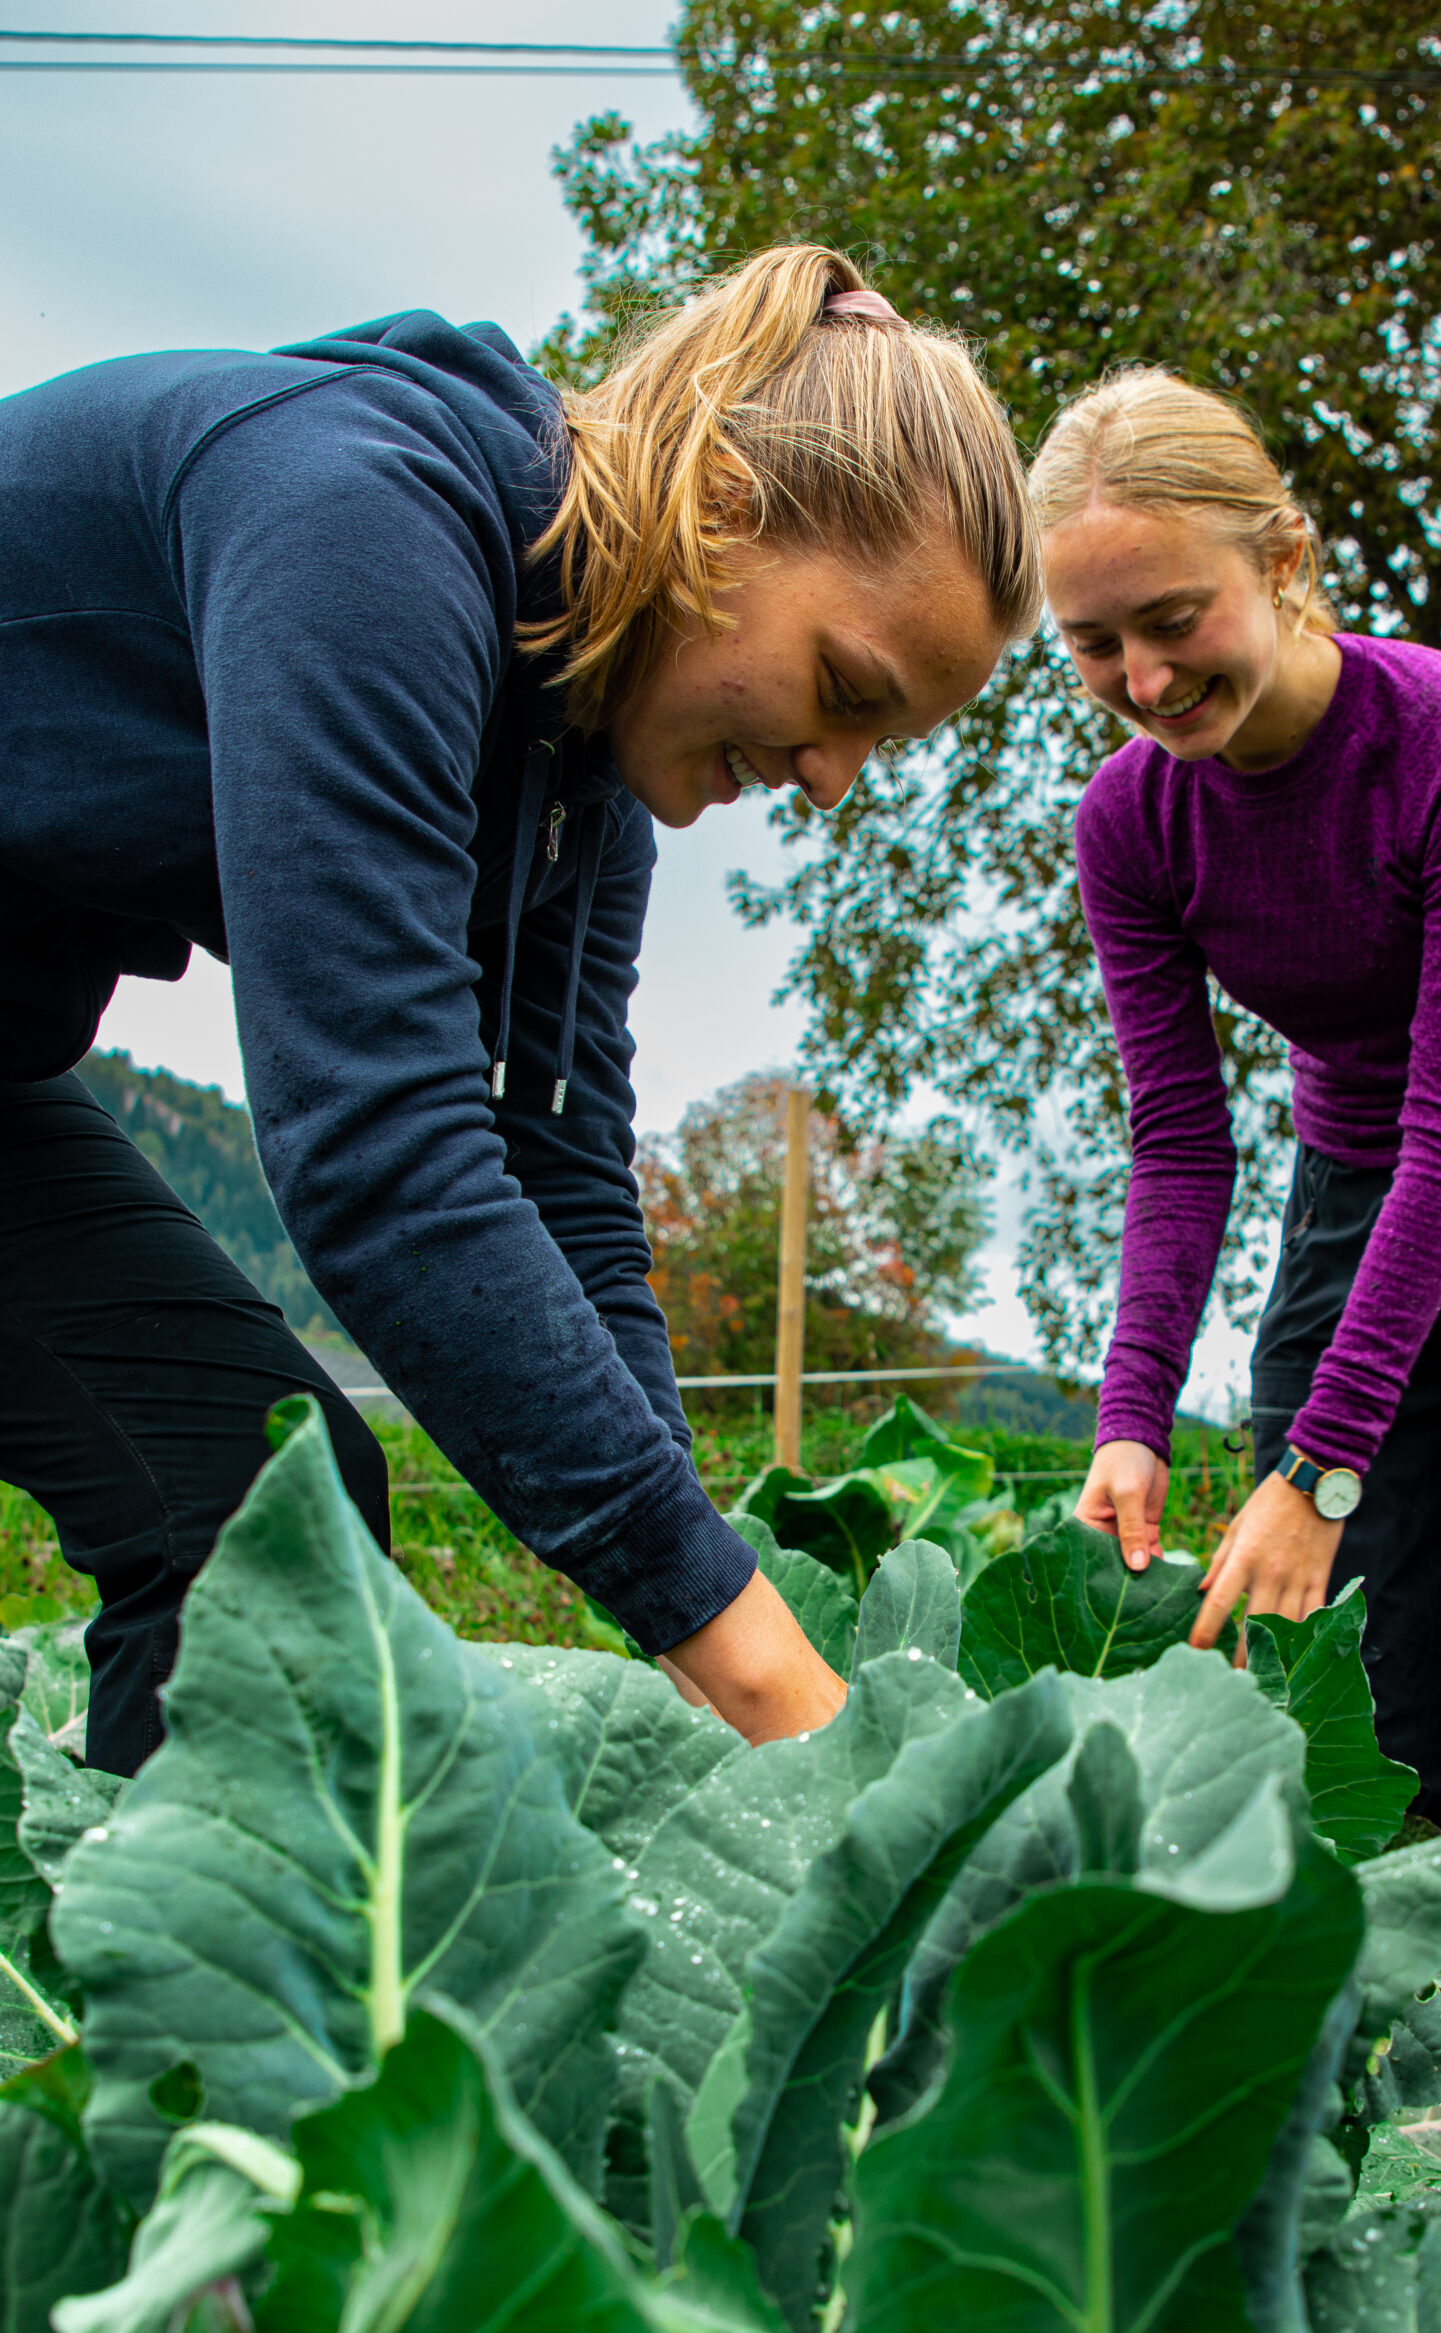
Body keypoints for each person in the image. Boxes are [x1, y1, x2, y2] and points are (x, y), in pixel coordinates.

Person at [0, 246, 1039, 1777]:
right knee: (262, 1495)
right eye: (849, 686)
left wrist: (690, 1575)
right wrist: (763, 1680)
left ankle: (164, 2009)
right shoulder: (358, 521)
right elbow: (380, 1156)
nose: (833, 780)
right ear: (722, 515)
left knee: (251, 1504)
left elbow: (559, 1180)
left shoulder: (586, 773)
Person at [1031, 367, 1441, 2052]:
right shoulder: (1133, 825)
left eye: (1175, 619)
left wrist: (1318, 1468)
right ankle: (1388, 2108)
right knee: (1355, 1701)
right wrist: (1128, 1423)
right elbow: (1183, 1146)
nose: (1147, 680)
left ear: (1286, 560)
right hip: (1350, 1209)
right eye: (1097, 646)